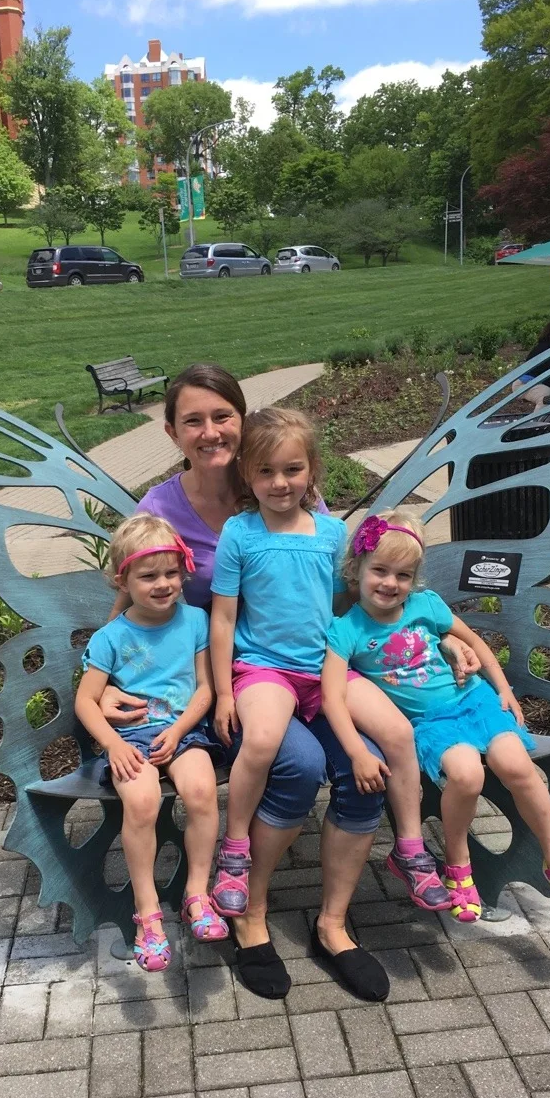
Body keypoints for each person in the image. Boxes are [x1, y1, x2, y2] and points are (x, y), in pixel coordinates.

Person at [99, 363, 477, 1000]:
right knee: (296, 766)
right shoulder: (163, 510)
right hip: (231, 683)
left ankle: (334, 925)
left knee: (375, 761)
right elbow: (135, 587)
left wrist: (439, 635)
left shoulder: (310, 513)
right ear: (172, 432)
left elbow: (367, 588)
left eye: (223, 416)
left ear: (243, 426)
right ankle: (249, 917)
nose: (211, 431)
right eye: (194, 420)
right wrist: (105, 677)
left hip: (320, 670)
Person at [210, 407, 451, 927]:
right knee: (263, 738)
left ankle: (409, 846)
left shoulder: (331, 533)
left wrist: (438, 640)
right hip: (264, 670)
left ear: (312, 469)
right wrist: (225, 693)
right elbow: (224, 617)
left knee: (397, 732)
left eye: (292, 469)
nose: (280, 483)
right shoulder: (240, 533)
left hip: (326, 669)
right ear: (247, 474)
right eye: (266, 471)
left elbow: (362, 605)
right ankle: (233, 852)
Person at [322, 510, 550, 925]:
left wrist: (502, 688)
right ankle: (457, 863)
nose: (391, 583)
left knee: (517, 766)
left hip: (476, 700)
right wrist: (356, 749)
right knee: (467, 776)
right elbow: (333, 697)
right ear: (356, 569)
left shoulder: (426, 605)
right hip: (431, 723)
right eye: (380, 570)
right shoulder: (347, 630)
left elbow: (475, 643)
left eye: (404, 575)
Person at [74, 514, 227, 972]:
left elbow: (205, 688)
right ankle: (148, 913)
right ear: (122, 580)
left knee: (201, 792)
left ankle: (197, 896)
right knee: (140, 803)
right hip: (130, 737)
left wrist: (180, 731)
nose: (163, 584)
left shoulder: (196, 621)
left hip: (183, 730)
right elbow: (86, 701)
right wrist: (113, 746)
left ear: (184, 571)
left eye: (171, 573)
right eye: (148, 576)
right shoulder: (111, 637)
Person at [512, 319, 550, 410]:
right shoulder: (548, 349)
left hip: (537, 382)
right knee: (546, 397)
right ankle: (539, 423)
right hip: (524, 384)